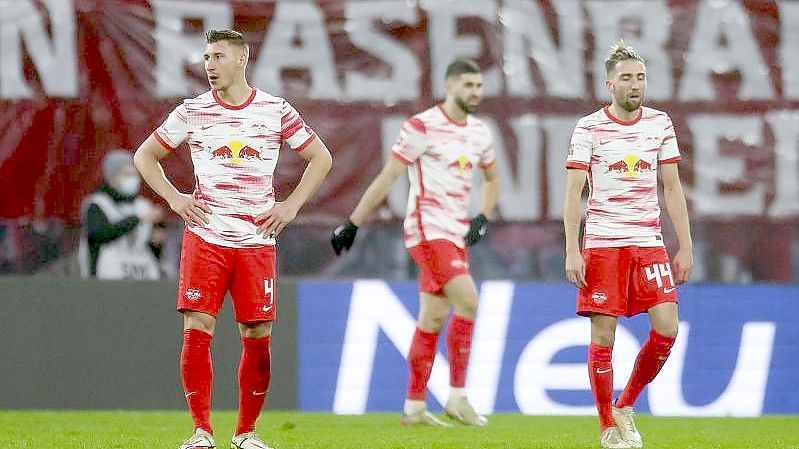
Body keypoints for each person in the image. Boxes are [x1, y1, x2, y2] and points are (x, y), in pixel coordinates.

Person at [134, 29, 332, 449]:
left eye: (218, 56)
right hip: (205, 236)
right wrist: (174, 198)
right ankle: (201, 432)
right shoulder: (192, 111)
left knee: (257, 334)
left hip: (256, 241)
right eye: (206, 57)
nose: (209, 65)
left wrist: (290, 206)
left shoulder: (275, 110)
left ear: (241, 60)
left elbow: (321, 157)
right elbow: (144, 155)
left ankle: (245, 434)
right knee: (197, 325)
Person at [331, 58, 500, 427]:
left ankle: (414, 407)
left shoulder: (479, 133)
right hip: (427, 230)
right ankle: (457, 397)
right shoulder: (422, 126)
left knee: (433, 317)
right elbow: (389, 176)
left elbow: (491, 178)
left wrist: (482, 216)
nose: (476, 92)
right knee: (469, 300)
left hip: (455, 234)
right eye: (468, 85)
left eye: (479, 86)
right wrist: (353, 223)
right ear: (449, 85)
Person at [563, 40, 693, 449]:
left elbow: (672, 188)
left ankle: (626, 405)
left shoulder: (660, 123)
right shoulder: (589, 128)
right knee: (604, 337)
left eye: (640, 76)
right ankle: (606, 427)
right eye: (626, 78)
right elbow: (573, 195)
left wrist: (685, 245)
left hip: (648, 242)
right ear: (609, 85)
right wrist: (572, 248)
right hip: (603, 244)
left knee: (667, 328)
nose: (635, 84)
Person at [78, 149, 166, 279]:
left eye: (135, 174)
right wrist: (136, 220)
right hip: (108, 277)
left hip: (142, 275)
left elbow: (152, 247)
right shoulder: (98, 204)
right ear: (113, 177)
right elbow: (99, 234)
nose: (133, 179)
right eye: (127, 174)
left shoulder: (144, 205)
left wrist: (156, 241)